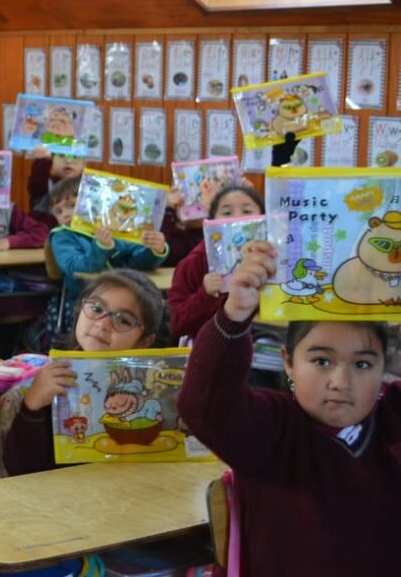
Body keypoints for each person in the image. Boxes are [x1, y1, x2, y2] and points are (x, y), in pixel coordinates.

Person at [178, 242, 401, 574]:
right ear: (288, 362)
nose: (340, 382)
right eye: (321, 361)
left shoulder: (392, 417)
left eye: (363, 364)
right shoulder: (269, 428)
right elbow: (205, 406)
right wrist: (235, 315)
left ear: (385, 367)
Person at [3, 269, 168, 476]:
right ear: (80, 309)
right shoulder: (55, 380)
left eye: (123, 320)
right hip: (65, 490)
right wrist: (32, 406)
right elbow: (19, 468)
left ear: (144, 341)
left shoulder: (155, 387)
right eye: (96, 308)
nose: (103, 324)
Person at [47, 176, 167, 333]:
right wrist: (101, 247)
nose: (66, 214)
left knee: (154, 317)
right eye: (58, 211)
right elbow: (74, 267)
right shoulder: (61, 236)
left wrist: (154, 250)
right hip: (85, 301)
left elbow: (137, 261)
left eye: (72, 205)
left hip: (125, 298)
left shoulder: (112, 226)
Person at [168, 186, 264, 342]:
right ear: (212, 222)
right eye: (226, 213)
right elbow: (175, 323)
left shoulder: (274, 260)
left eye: (247, 211)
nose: (237, 218)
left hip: (261, 344)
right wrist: (205, 294)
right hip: (206, 345)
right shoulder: (194, 263)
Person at [25, 145, 85, 230]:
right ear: (52, 160)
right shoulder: (44, 184)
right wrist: (43, 160)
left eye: (75, 156)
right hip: (44, 234)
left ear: (84, 164)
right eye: (61, 155)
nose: (68, 161)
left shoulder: (87, 189)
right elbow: (36, 182)